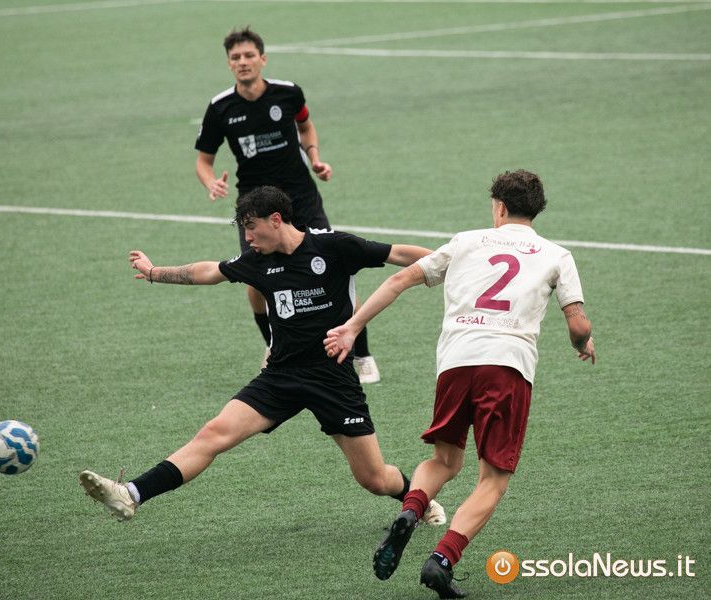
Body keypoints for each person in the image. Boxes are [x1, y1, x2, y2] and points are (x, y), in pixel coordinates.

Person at [78, 186, 443, 526]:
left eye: (251, 227)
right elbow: (209, 272)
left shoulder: (334, 247)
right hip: (281, 376)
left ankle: (418, 500)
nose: (248, 237)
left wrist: (453, 264)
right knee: (213, 434)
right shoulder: (257, 261)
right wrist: (155, 272)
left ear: (276, 220)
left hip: (333, 379)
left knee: (374, 479)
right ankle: (131, 494)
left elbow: (399, 254)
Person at [324, 170, 596, 599]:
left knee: (445, 460)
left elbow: (398, 280)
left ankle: (411, 510)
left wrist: (353, 327)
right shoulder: (556, 255)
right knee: (493, 478)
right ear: (535, 211)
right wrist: (583, 344)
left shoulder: (466, 241)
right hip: (506, 366)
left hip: (456, 362)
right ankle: (443, 559)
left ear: (499, 207)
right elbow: (578, 324)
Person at [194, 26, 381, 383]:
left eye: (249, 55)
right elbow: (204, 161)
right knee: (255, 282)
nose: (243, 62)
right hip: (254, 209)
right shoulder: (220, 108)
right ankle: (273, 346)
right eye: (236, 57)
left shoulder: (289, 93)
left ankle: (362, 354)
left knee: (335, 270)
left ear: (262, 59)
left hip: (301, 199)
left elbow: (306, 127)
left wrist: (315, 157)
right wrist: (211, 182)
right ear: (229, 64)